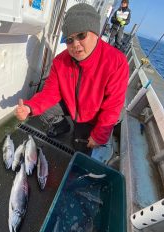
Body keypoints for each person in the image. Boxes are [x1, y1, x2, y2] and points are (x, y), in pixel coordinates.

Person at [14, 3, 129, 151]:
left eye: (81, 35)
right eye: (69, 39)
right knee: (43, 111)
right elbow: (50, 93)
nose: (75, 44)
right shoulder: (60, 61)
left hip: (93, 117)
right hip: (72, 105)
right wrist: (30, 107)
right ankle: (62, 126)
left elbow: (113, 105)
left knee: (79, 147)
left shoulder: (116, 61)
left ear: (95, 32)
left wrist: (99, 135)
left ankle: (82, 131)